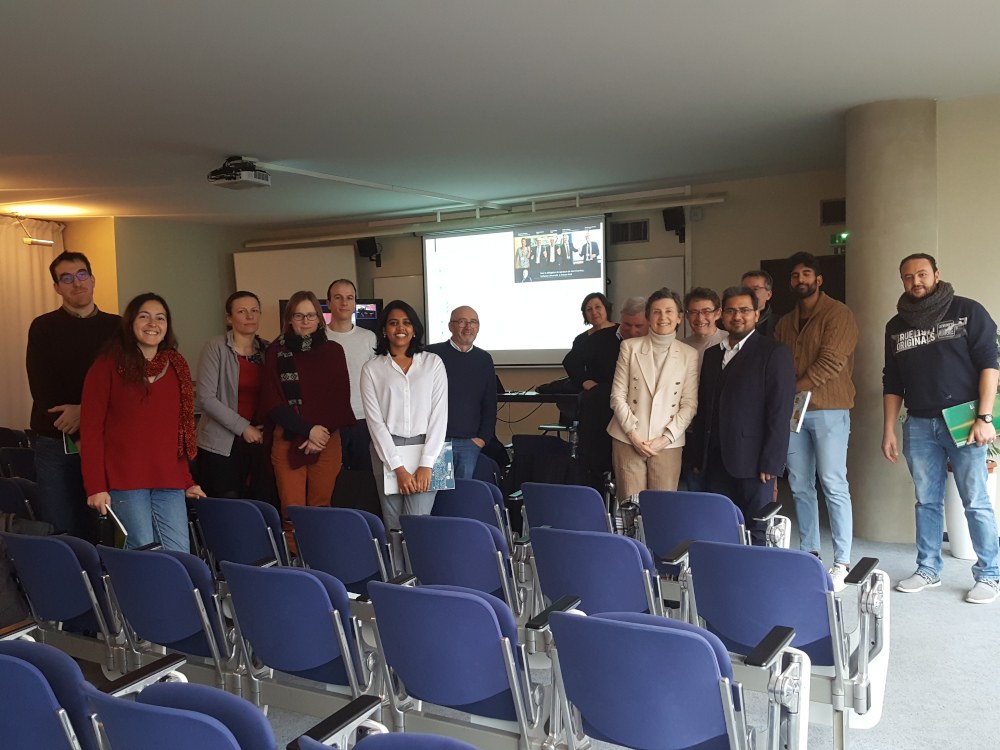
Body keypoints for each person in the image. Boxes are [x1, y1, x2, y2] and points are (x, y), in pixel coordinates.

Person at [882, 253, 1000, 603]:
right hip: (918, 423)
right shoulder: (896, 325)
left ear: (936, 274)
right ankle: (928, 569)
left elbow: (989, 365)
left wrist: (986, 417)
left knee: (975, 501)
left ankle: (989, 574)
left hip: (963, 420)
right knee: (926, 501)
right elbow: (892, 381)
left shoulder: (967, 311)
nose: (915, 281)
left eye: (922, 273)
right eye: (907, 276)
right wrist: (889, 428)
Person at [80, 293, 204, 551]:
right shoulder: (106, 366)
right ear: (130, 322)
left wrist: (187, 480)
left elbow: (180, 433)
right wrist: (96, 486)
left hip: (169, 481)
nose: (153, 324)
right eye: (144, 316)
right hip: (125, 481)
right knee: (143, 554)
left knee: (180, 554)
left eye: (160, 318)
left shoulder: (177, 367)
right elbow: (91, 431)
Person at [775, 252, 859, 585]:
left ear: (819, 279)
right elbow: (779, 365)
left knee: (833, 483)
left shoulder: (839, 314)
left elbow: (829, 364)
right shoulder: (784, 322)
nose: (800, 280)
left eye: (806, 274)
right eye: (795, 276)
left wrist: (789, 389)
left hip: (829, 410)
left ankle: (842, 561)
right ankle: (809, 553)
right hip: (794, 414)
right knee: (799, 485)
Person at [689, 286, 795, 543]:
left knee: (757, 529)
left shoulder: (774, 352)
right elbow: (705, 406)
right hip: (714, 460)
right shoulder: (713, 355)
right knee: (721, 527)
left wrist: (772, 461)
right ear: (722, 315)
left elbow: (780, 410)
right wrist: (698, 456)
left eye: (745, 310)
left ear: (757, 315)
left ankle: (755, 582)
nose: (738, 316)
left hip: (755, 463)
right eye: (731, 310)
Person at [26, 251, 120, 541]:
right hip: (57, 440)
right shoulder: (43, 327)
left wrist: (85, 411)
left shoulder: (118, 327)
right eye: (66, 278)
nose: (76, 283)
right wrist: (79, 417)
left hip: (107, 440)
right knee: (62, 526)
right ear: (56, 287)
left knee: (105, 526)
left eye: (81, 275)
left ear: (92, 279)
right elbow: (42, 389)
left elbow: (124, 386)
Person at [259, 291, 354, 536]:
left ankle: (319, 563)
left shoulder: (334, 351)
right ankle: (296, 567)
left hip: (327, 440)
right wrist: (307, 431)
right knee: (292, 510)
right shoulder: (275, 352)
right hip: (289, 438)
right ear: (289, 319)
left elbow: (340, 400)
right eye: (299, 315)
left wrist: (319, 436)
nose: (305, 321)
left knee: (321, 508)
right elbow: (272, 401)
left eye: (311, 315)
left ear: (320, 319)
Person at [361, 300, 448, 529]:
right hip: (387, 450)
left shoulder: (433, 363)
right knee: (393, 525)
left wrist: (427, 464)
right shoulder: (371, 368)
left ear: (415, 329)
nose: (400, 328)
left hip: (428, 448)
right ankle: (397, 567)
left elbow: (440, 416)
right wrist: (397, 468)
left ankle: (416, 567)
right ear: (384, 330)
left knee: (417, 522)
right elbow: (375, 423)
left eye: (407, 322)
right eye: (393, 323)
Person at [608, 288, 698, 498]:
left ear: (679, 317)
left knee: (663, 507)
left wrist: (665, 438)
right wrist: (633, 435)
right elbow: (617, 395)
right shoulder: (629, 347)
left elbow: (689, 404)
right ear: (648, 317)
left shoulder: (688, 354)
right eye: (656, 312)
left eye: (669, 311)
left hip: (668, 441)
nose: (663, 317)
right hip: (628, 437)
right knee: (630, 506)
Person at [564, 297, 648, 488]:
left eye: (638, 326)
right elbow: (571, 361)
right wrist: (587, 382)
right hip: (601, 410)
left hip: (636, 415)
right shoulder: (601, 337)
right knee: (598, 466)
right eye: (627, 325)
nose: (632, 331)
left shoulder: (648, 341)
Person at [195, 291, 270, 499]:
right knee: (226, 504)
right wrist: (243, 427)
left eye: (254, 311)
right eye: (242, 311)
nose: (249, 316)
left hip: (259, 440)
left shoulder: (269, 350)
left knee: (259, 502)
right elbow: (205, 397)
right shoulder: (215, 347)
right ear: (229, 318)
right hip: (221, 443)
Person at [426, 306, 497, 479]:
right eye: (462, 321)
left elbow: (489, 403)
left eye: (473, 322)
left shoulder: (484, 359)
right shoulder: (431, 354)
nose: (468, 327)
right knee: (438, 495)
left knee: (463, 496)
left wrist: (482, 439)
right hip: (438, 442)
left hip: (469, 443)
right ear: (450, 326)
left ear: (478, 327)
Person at [326, 279, 378, 472]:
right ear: (329, 302)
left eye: (349, 298)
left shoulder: (368, 337)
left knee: (363, 477)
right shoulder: (318, 338)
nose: (344, 303)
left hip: (363, 419)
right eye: (338, 297)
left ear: (355, 302)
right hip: (329, 420)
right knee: (333, 478)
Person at [682, 287, 727, 365]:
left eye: (706, 311)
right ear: (687, 315)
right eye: (694, 312)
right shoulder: (681, 347)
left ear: (718, 313)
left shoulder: (731, 341)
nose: (700, 318)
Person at [741, 270, 776, 337]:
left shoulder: (780, 323)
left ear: (768, 295)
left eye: (755, 289)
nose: (749, 293)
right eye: (745, 289)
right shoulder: (730, 320)